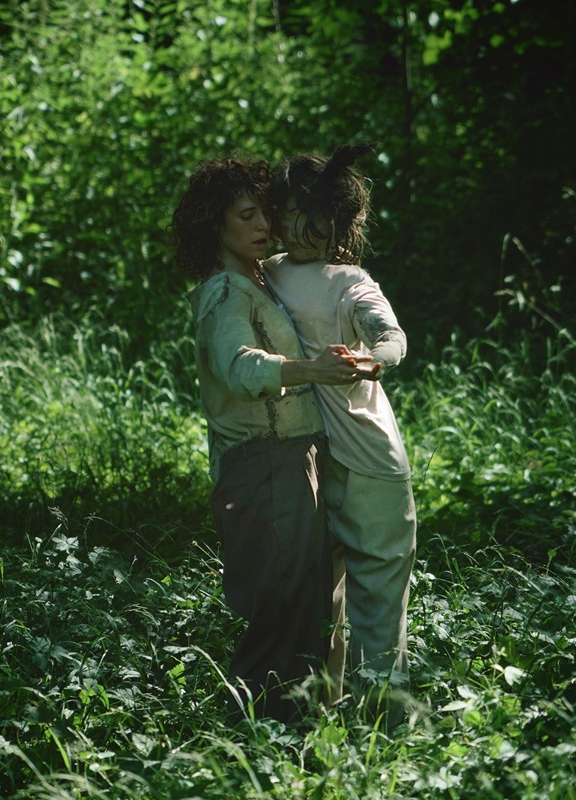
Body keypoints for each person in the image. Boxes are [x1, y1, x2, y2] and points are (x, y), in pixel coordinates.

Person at [171, 154, 375, 724]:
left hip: (290, 459)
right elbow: (239, 368)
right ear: (214, 225)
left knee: (309, 610)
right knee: (279, 613)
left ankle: (302, 742)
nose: (263, 225)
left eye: (264, 212)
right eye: (245, 215)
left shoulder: (257, 280)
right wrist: (313, 370)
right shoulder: (225, 292)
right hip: (263, 466)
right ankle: (248, 747)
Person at [262, 143, 417, 725]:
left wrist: (373, 357)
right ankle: (333, 715)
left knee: (375, 596)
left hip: (367, 460)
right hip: (308, 457)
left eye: (323, 217)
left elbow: (391, 336)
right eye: (300, 211)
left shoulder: (350, 279)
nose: (311, 228)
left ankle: (383, 719)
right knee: (327, 596)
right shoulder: (263, 272)